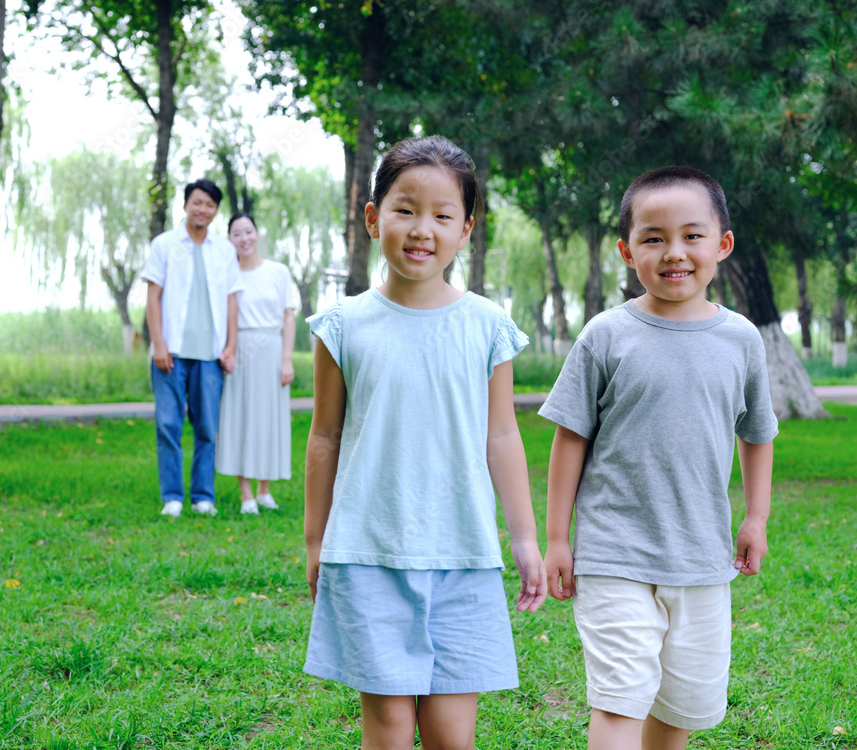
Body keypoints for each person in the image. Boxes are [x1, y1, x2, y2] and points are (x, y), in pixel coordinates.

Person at [303, 135, 547, 749]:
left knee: (450, 734)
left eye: (443, 216)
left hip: (463, 553)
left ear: (466, 229)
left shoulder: (488, 327)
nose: (422, 229)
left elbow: (502, 436)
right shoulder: (342, 325)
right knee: (386, 726)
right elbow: (324, 437)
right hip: (368, 552)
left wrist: (524, 539)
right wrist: (316, 539)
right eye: (405, 209)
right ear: (371, 217)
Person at [539, 166, 778, 750]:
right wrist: (557, 538)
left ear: (721, 245)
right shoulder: (606, 335)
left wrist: (756, 517)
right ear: (627, 251)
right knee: (620, 699)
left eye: (692, 236)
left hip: (700, 554)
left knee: (682, 707)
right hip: (613, 550)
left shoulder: (741, 339)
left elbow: (757, 433)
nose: (675, 253)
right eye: (653, 238)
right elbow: (570, 437)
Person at [141, 179, 243, 518]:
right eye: (197, 203)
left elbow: (231, 302)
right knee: (168, 425)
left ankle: (203, 497)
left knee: (206, 429)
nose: (203, 209)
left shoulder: (224, 251)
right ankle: (172, 496)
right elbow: (152, 297)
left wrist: (231, 346)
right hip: (170, 352)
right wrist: (158, 344)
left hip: (211, 355)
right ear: (185, 205)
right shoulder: (165, 244)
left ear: (216, 211)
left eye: (210, 205)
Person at [216, 213, 296, 514]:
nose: (244, 238)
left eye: (248, 231)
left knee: (269, 419)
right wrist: (228, 350)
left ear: (257, 233)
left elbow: (288, 316)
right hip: (240, 349)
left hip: (273, 349)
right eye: (237, 234)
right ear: (230, 239)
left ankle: (265, 490)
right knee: (240, 417)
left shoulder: (278, 271)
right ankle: (245, 493)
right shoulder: (228, 274)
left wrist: (286, 360)